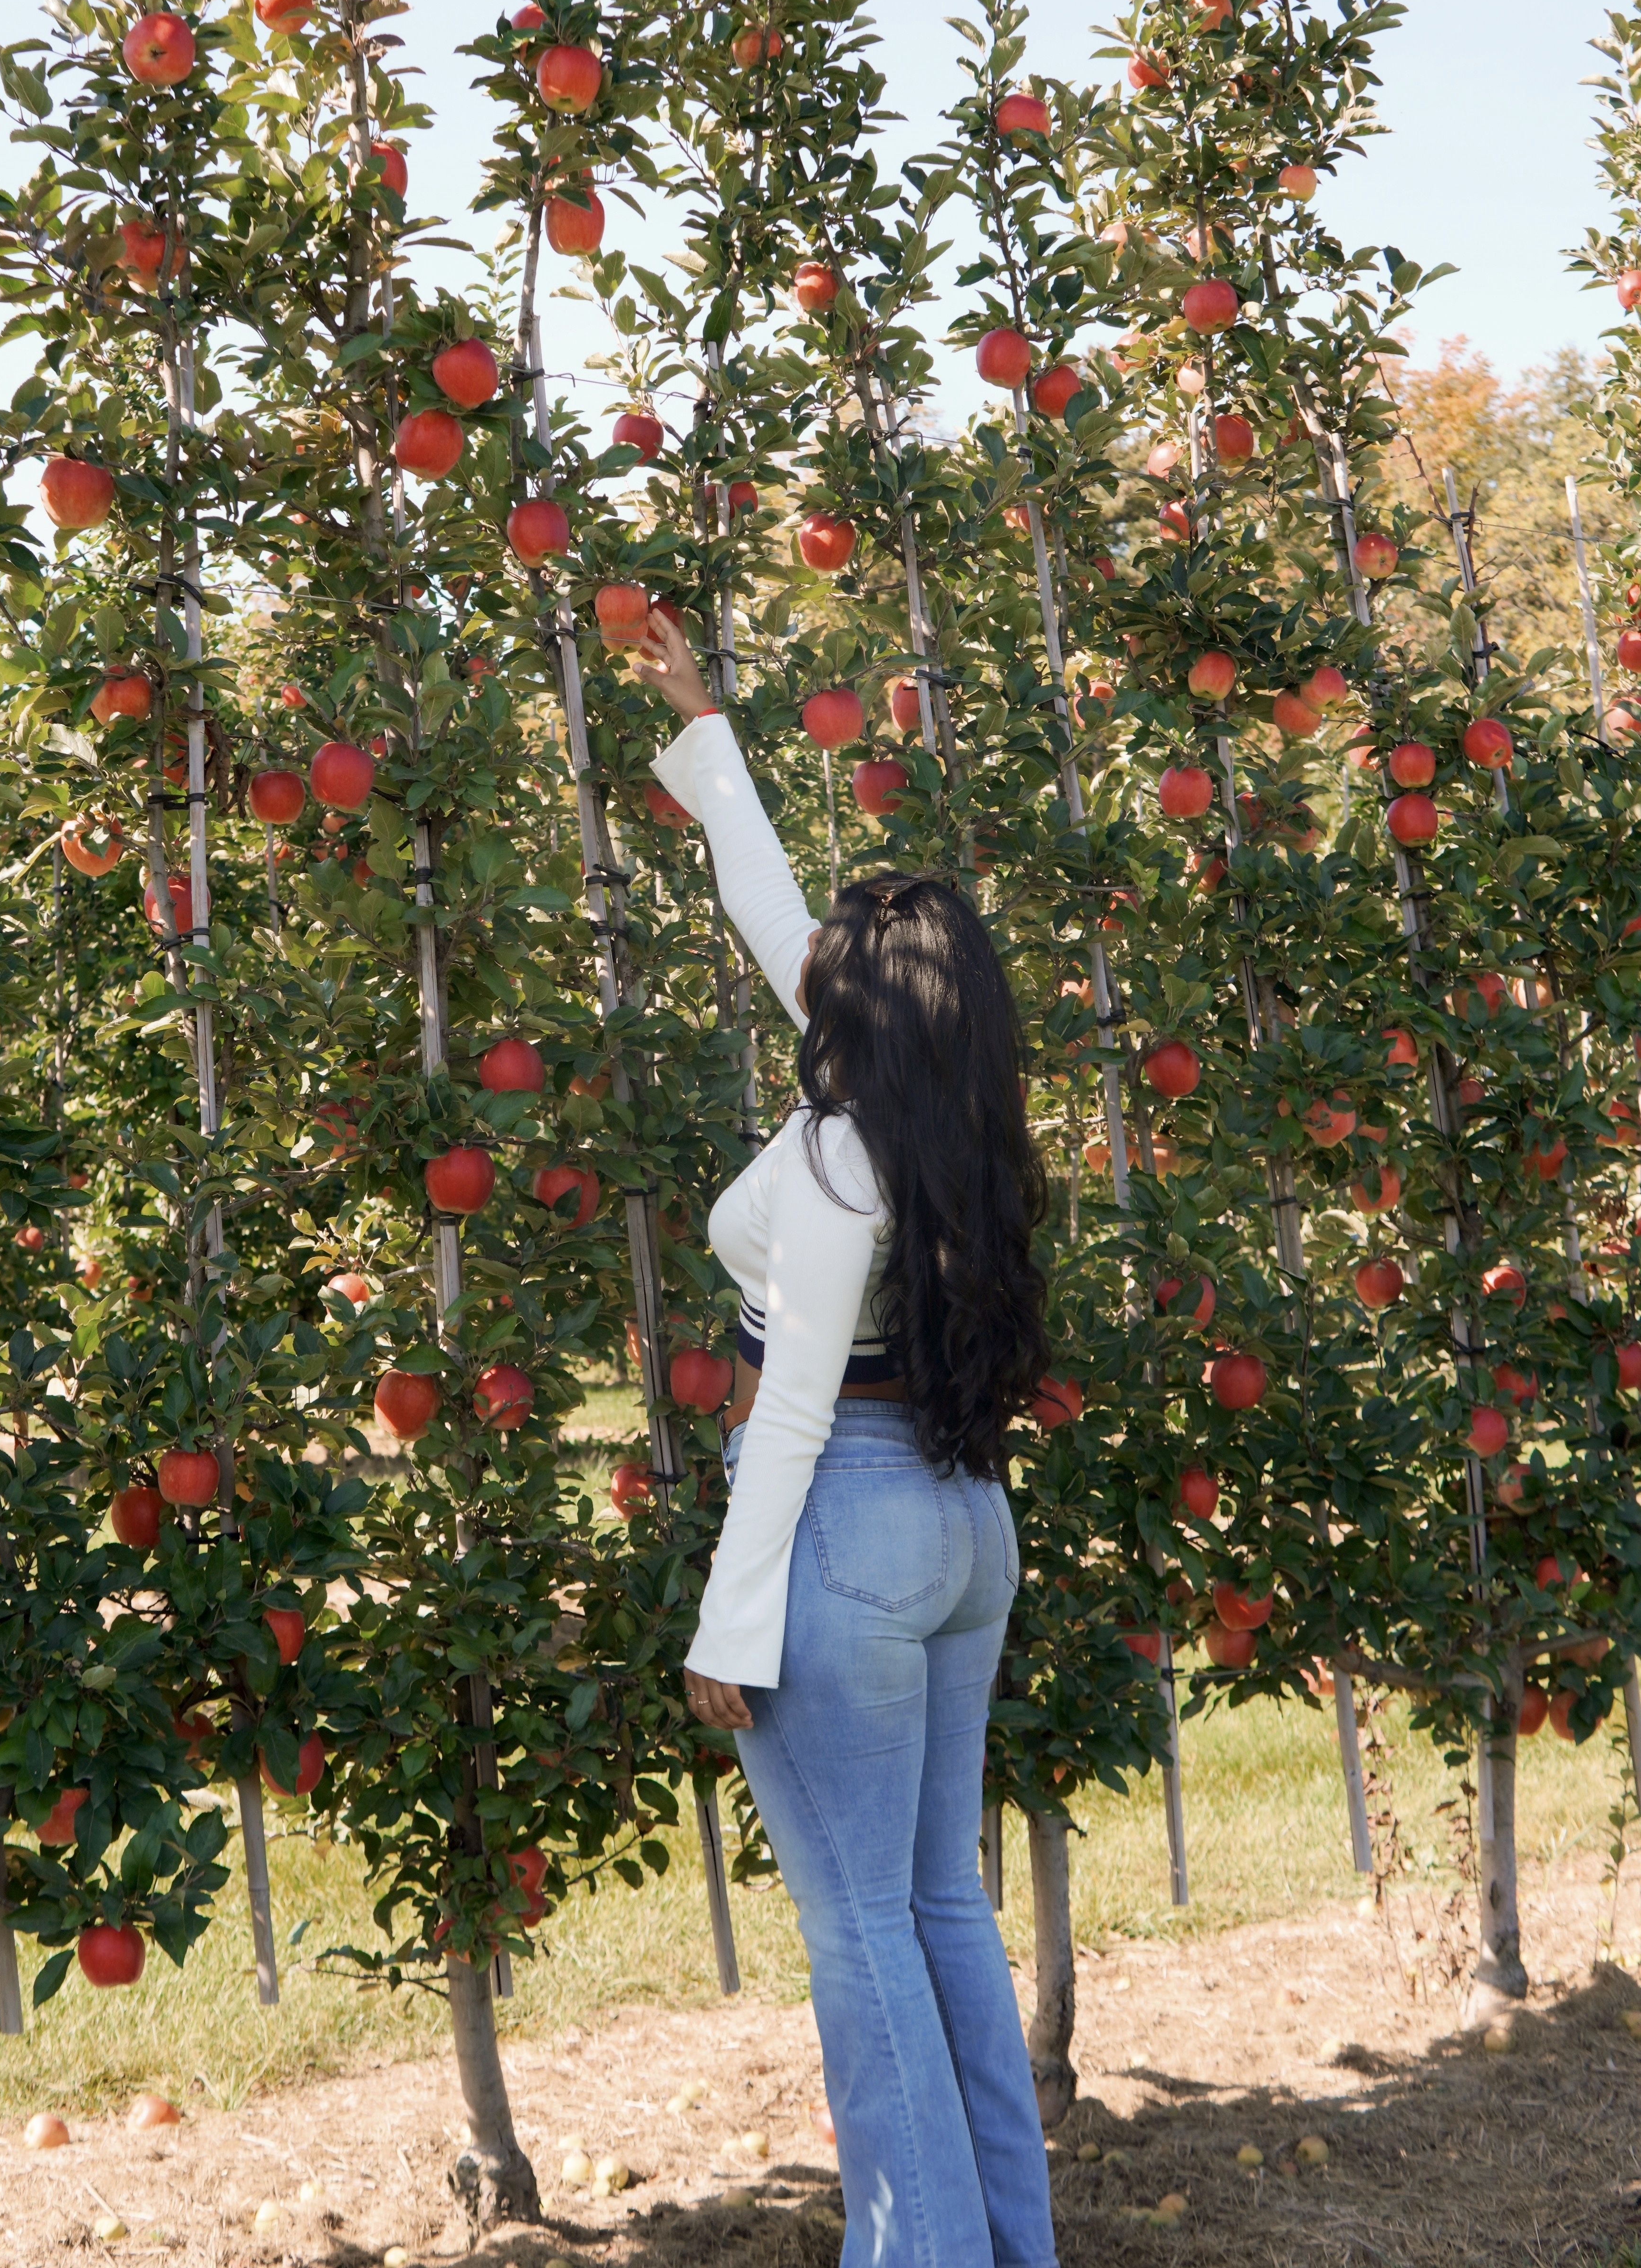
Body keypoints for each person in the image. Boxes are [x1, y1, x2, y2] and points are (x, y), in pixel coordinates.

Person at [638, 609, 1058, 2268]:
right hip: (963, 1529)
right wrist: (706, 729)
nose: (808, 959)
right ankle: (1007, 2250)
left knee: (861, 1929)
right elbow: (779, 926)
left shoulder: (831, 1164)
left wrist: (729, 1624)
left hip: (850, 1533)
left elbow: (790, 1411)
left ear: (865, 1016)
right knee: (943, 1905)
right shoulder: (955, 1131)